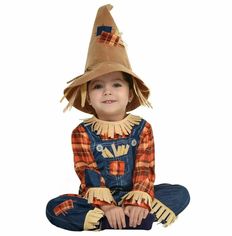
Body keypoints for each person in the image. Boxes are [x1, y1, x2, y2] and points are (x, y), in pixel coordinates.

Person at [46, 4, 190, 231]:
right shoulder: (82, 132)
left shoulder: (142, 128)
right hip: (95, 202)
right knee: (55, 207)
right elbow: (88, 171)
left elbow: (145, 169)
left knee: (180, 193)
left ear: (129, 93)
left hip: (134, 196)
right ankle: (117, 220)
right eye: (98, 86)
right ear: (88, 98)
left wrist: (138, 199)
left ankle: (132, 215)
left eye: (116, 84)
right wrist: (105, 206)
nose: (107, 91)